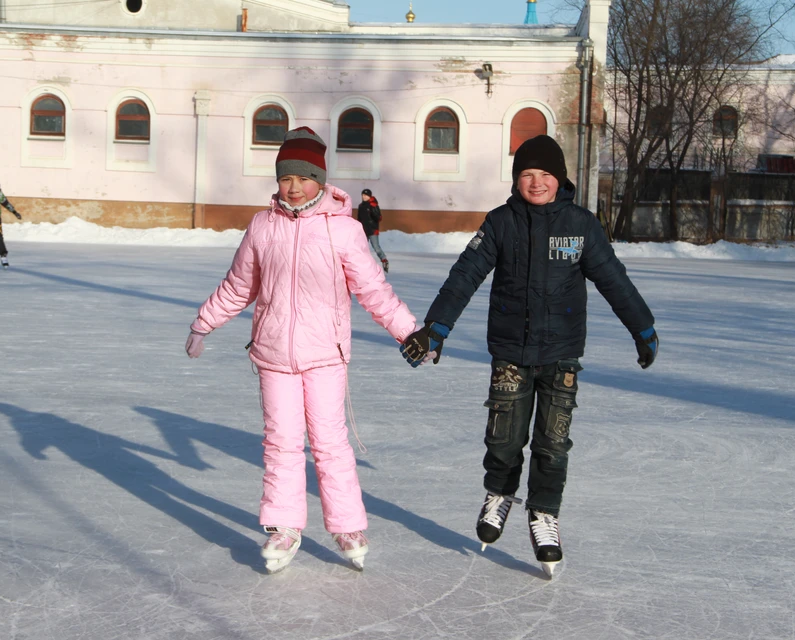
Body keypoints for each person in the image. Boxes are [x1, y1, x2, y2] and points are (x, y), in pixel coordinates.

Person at [399, 135, 658, 577]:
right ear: (516, 179)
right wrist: (436, 328)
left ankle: (543, 513)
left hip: (561, 354)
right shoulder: (501, 223)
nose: (536, 183)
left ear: (560, 179)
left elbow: (614, 280)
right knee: (503, 436)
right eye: (526, 174)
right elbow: (465, 275)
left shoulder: (581, 226)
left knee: (553, 442)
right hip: (511, 351)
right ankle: (499, 493)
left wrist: (643, 327)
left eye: (545, 175)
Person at [186, 127, 417, 574]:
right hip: (272, 354)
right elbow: (239, 286)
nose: (293, 186)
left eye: (303, 177)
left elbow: (374, 290)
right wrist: (203, 323)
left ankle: (347, 525)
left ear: (320, 179)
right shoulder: (262, 226)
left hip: (325, 355)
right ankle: (284, 526)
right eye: (285, 177)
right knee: (281, 443)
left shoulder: (344, 231)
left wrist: (409, 333)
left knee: (330, 443)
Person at [357, 188, 389, 273]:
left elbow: (379, 218)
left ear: (369, 196)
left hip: (372, 230)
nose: (364, 197)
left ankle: (384, 260)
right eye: (363, 195)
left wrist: (374, 212)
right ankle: (362, 263)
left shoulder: (373, 205)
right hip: (363, 230)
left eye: (366, 195)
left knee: (376, 247)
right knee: (362, 248)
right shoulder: (361, 206)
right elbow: (359, 219)